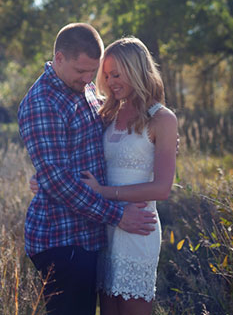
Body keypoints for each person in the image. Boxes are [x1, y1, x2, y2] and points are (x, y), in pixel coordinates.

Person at [18, 23, 157, 315]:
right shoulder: (43, 102)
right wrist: (118, 215)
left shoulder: (85, 89)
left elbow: (109, 131)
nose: (86, 79)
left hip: (90, 234)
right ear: (58, 58)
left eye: (91, 72)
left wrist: (158, 141)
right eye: (80, 71)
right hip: (61, 238)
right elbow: (58, 181)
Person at [81, 36, 178, 315]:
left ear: (136, 70)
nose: (110, 82)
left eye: (117, 74)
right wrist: (43, 178)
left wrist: (104, 192)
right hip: (107, 226)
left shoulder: (162, 119)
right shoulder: (107, 113)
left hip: (138, 226)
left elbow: (161, 189)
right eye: (107, 75)